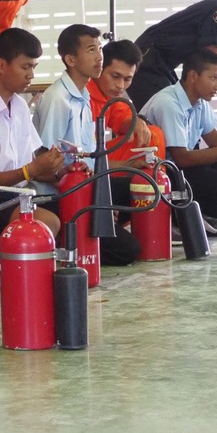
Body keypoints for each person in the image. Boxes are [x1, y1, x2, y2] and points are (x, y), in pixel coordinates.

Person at [0, 28, 65, 288]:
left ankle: (28, 276)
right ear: (1, 65)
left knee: (70, 210)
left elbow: (35, 161)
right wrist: (30, 171)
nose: (31, 75)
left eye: (34, 67)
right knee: (47, 222)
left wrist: (61, 170)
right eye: (25, 67)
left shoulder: (19, 106)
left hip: (18, 196)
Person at [33, 24, 140, 266]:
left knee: (138, 187)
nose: (99, 57)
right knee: (128, 250)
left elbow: (89, 158)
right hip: (59, 195)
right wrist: (95, 203)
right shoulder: (58, 99)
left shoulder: (85, 97)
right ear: (70, 59)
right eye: (91, 50)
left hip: (83, 188)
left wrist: (102, 199)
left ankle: (92, 228)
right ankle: (61, 238)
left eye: (99, 49)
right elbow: (45, 164)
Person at [141, 49, 217, 234]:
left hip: (181, 167)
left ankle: (205, 211)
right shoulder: (169, 104)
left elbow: (214, 139)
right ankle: (183, 217)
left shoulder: (199, 102)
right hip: (161, 174)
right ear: (193, 76)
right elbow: (182, 158)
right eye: (213, 78)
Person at [87, 39, 167, 162]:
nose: (121, 86)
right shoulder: (82, 94)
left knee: (153, 134)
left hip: (98, 156)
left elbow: (123, 120)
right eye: (115, 76)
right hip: (83, 159)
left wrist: (135, 123)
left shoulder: (111, 95)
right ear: (100, 68)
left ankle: (154, 173)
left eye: (127, 79)